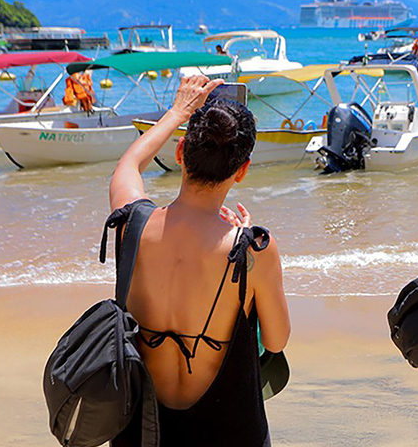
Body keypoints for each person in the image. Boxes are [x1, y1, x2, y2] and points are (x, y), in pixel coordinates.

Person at [110, 75, 290, 447]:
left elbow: (129, 165)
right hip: (228, 431)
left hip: (142, 432)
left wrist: (178, 111)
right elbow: (276, 340)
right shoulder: (252, 249)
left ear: (180, 154)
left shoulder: (132, 225)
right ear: (241, 170)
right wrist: (244, 236)